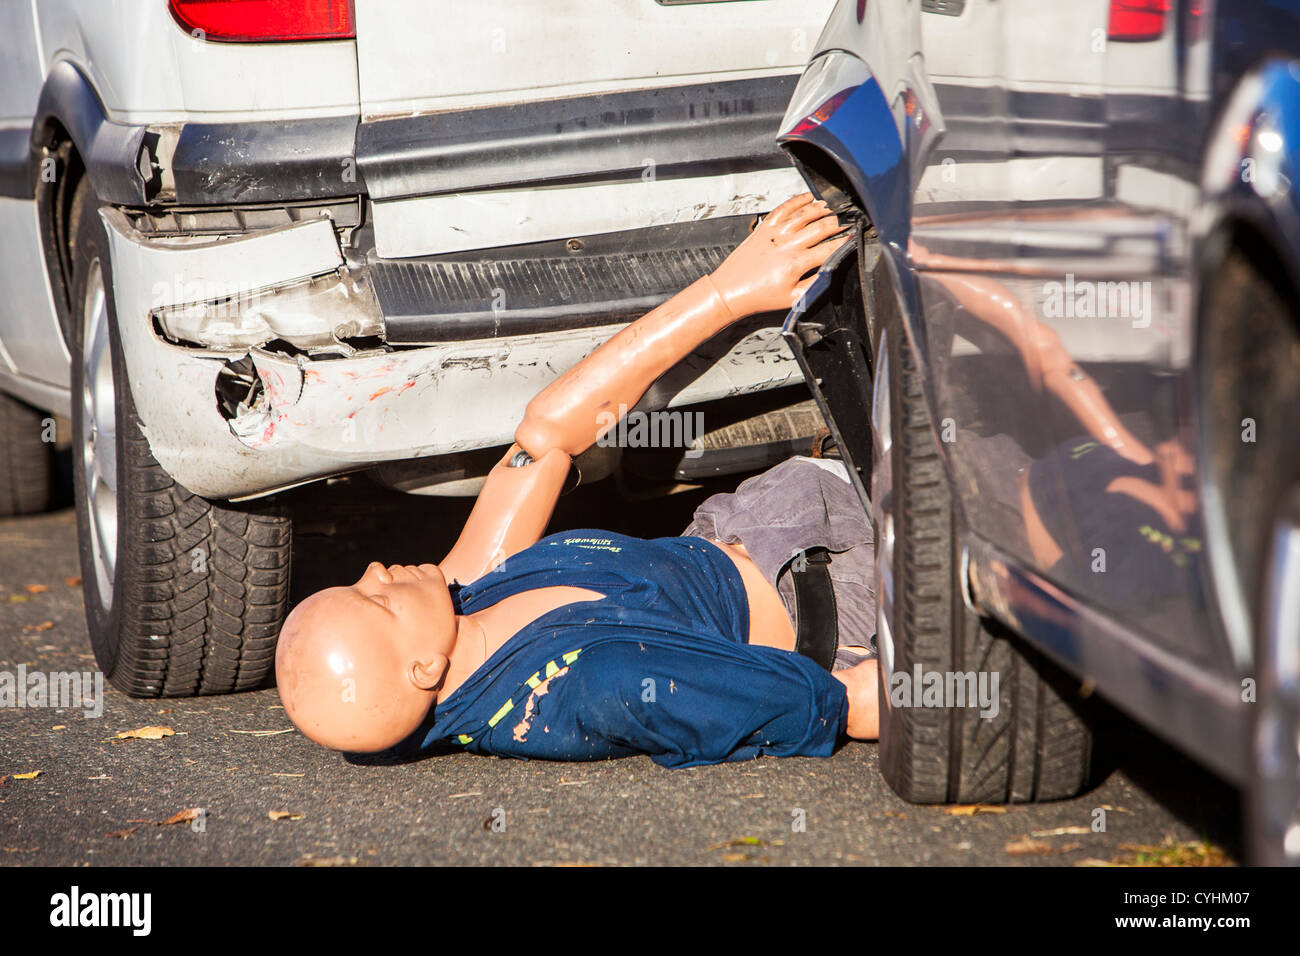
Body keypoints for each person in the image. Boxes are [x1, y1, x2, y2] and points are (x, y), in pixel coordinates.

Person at [275, 194, 879, 768]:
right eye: (375, 601)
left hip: (773, 517)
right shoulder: (586, 684)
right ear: (424, 670)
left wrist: (730, 291)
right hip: (843, 577)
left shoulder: (464, 595)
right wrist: (849, 703)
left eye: (357, 582)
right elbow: (783, 701)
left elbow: (546, 438)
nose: (375, 572)